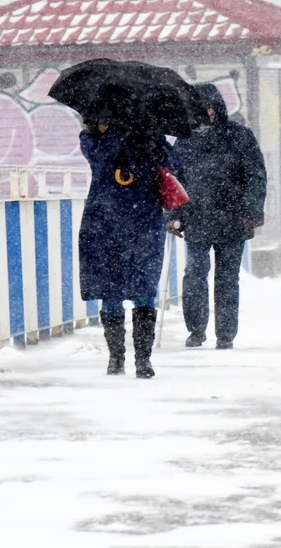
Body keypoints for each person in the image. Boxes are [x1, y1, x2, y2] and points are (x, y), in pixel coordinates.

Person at [169, 83, 266, 350]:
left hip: (234, 220)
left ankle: (225, 335)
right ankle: (196, 330)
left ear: (216, 108)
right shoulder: (186, 141)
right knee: (195, 274)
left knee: (226, 279)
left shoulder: (240, 137)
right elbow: (174, 181)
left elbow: (256, 176)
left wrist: (253, 211)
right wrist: (174, 213)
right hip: (197, 218)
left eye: (207, 108)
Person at [79, 123, 176, 378]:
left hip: (145, 222)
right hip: (105, 225)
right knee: (110, 291)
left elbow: (174, 165)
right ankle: (116, 358)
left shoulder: (151, 134)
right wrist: (120, 134)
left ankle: (143, 359)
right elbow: (101, 162)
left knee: (144, 289)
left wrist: (153, 146)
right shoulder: (92, 138)